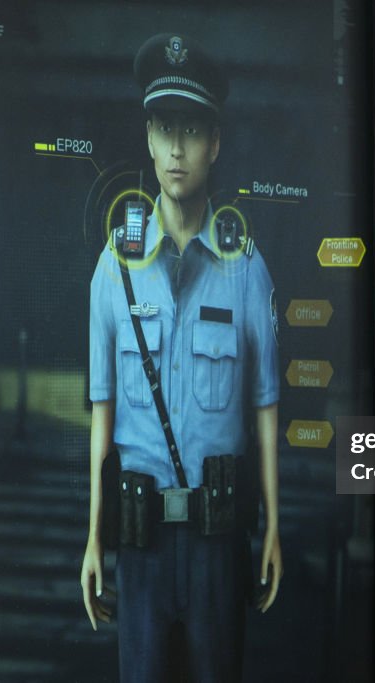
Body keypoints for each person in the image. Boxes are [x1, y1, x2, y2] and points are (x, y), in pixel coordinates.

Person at [79, 32, 283, 683]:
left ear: (214, 143)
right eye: (164, 128)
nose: (175, 148)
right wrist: (93, 536)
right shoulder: (114, 268)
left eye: (191, 130)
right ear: (147, 137)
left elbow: (266, 410)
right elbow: (101, 414)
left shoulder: (245, 269)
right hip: (139, 544)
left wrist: (273, 525)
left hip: (217, 544)